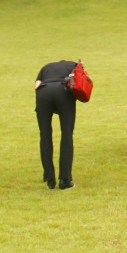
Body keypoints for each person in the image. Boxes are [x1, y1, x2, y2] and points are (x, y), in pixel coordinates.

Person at [35, 60, 80, 189]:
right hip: (63, 91)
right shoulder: (75, 66)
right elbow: (80, 82)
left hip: (43, 92)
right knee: (66, 134)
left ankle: (50, 180)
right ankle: (65, 180)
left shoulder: (45, 67)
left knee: (45, 135)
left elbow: (36, 85)